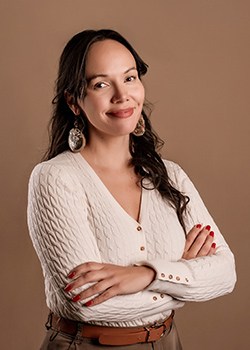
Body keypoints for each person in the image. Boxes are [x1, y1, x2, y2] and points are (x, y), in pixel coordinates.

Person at [27, 29, 236, 350]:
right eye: (100, 84)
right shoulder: (55, 178)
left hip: (168, 342)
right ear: (73, 101)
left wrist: (147, 275)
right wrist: (185, 278)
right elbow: (84, 304)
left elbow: (225, 274)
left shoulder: (171, 175)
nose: (121, 96)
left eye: (129, 78)